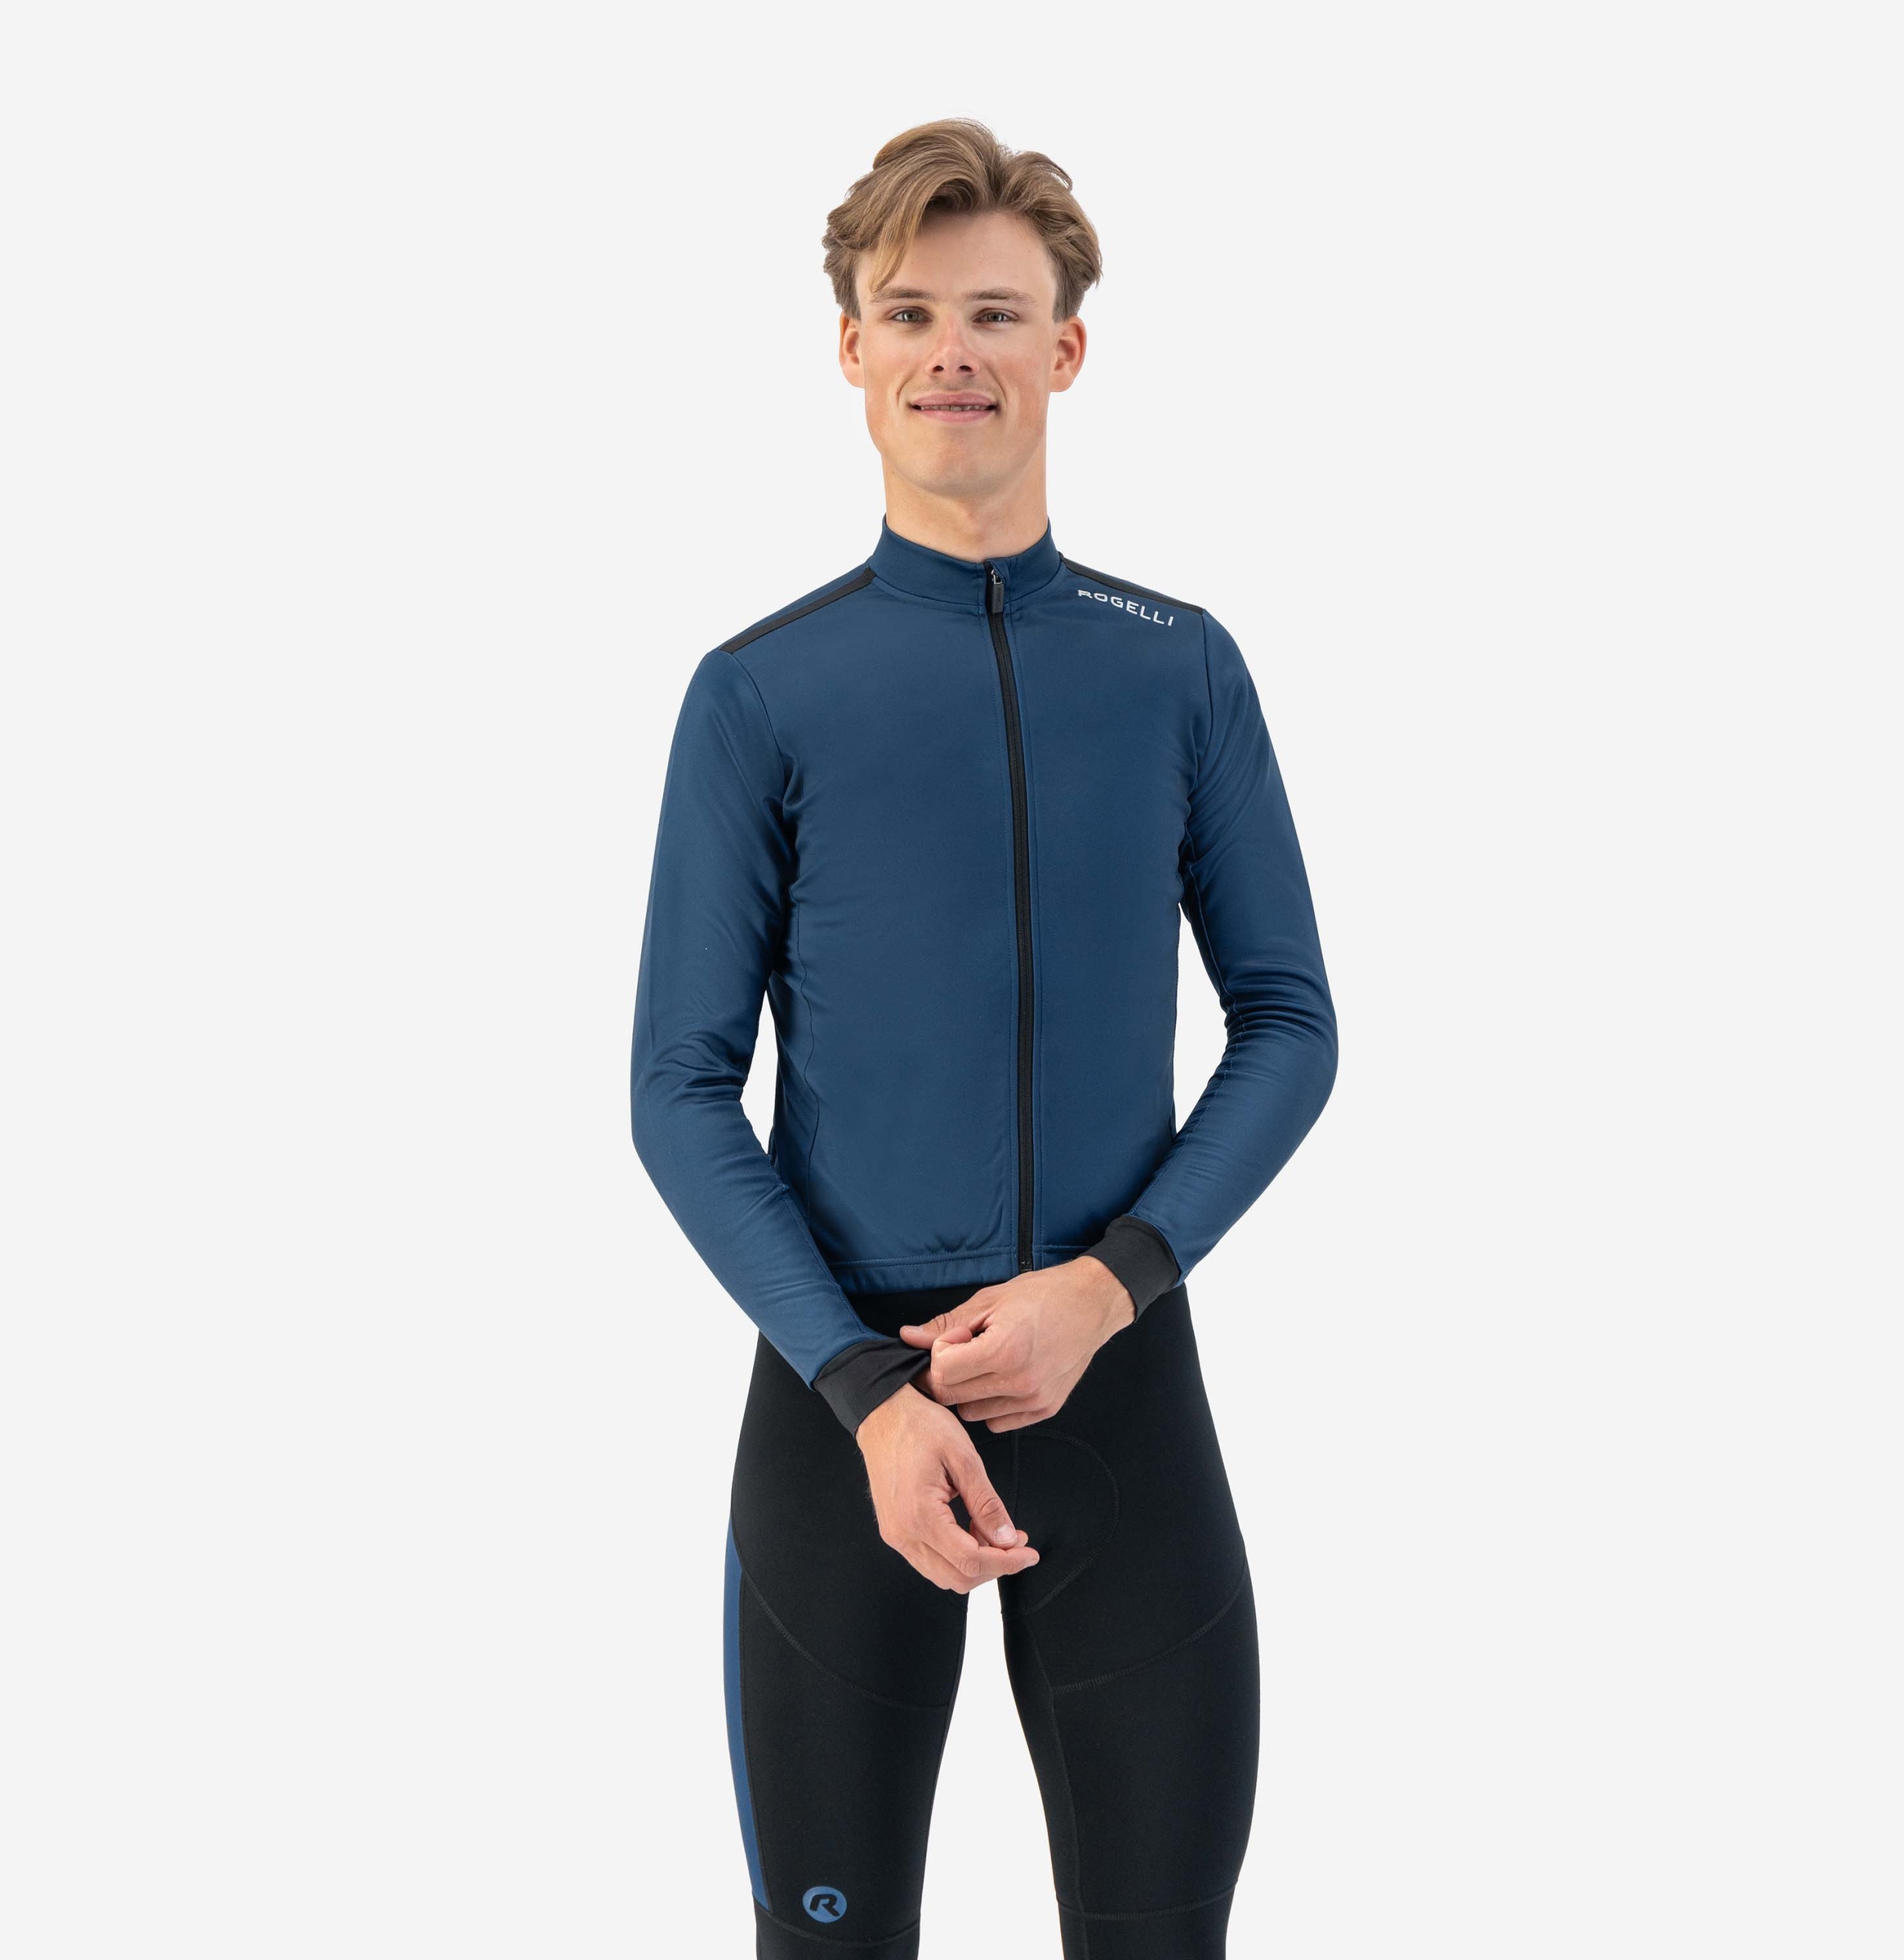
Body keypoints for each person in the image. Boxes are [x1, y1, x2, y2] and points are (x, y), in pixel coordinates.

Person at [630, 118, 1337, 1960]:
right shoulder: (760, 691)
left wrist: (1103, 1289)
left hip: (1120, 1392)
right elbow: (677, 1087)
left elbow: (1288, 1020)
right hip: (840, 1417)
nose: (953, 350)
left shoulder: (1177, 666)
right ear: (850, 350)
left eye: (996, 313)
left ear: (1065, 349)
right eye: (911, 311)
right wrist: (866, 1391)